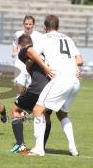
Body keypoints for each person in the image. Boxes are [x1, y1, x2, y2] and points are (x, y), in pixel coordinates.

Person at [23, 14, 83, 156]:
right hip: (75, 81)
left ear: (44, 27)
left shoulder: (43, 38)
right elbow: (79, 60)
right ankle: (72, 148)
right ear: (58, 27)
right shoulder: (67, 38)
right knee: (62, 113)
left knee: (38, 110)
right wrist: (73, 67)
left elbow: (30, 51)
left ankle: (38, 149)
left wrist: (44, 67)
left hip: (60, 80)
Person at [9, 34, 53, 153]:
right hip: (51, 87)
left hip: (37, 89)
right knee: (46, 116)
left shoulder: (23, 51)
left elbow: (29, 51)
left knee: (14, 110)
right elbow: (31, 64)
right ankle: (41, 147)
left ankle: (20, 144)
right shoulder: (43, 51)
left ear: (19, 45)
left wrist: (45, 68)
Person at [12, 15, 43, 96]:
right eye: (26, 24)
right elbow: (15, 45)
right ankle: (19, 106)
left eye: (30, 24)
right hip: (20, 63)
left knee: (31, 86)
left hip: (32, 63)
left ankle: (28, 106)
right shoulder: (18, 34)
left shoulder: (39, 36)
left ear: (33, 25)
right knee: (19, 86)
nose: (28, 26)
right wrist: (14, 52)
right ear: (23, 24)